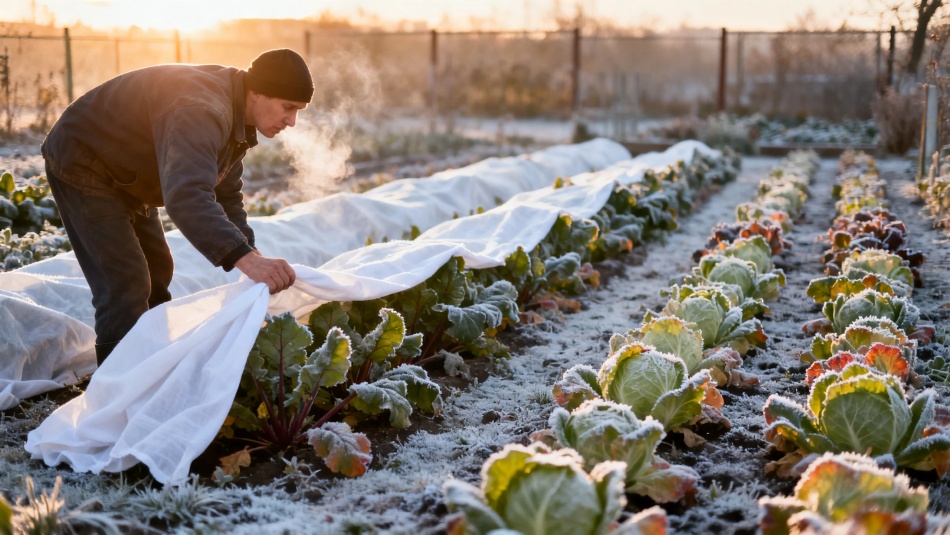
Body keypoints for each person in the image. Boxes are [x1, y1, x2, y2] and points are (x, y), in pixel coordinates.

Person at [41, 48, 311, 364]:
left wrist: (250, 251)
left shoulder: (237, 118)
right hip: (85, 160)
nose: (292, 121)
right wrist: (246, 261)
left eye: (299, 111)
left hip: (129, 171)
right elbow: (186, 196)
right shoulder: (201, 110)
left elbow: (225, 196)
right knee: (126, 280)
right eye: (288, 107)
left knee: (158, 269)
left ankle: (154, 364)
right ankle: (117, 389)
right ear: (256, 92)